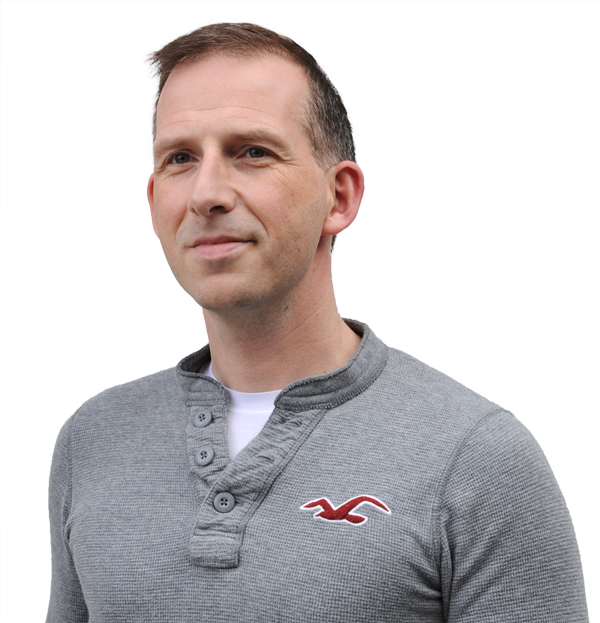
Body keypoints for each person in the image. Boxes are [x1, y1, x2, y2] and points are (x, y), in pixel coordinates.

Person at [46, 23, 589, 623]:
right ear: (155, 205)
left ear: (340, 197)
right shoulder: (91, 442)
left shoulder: (477, 459)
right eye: (180, 158)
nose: (206, 194)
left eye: (252, 152)